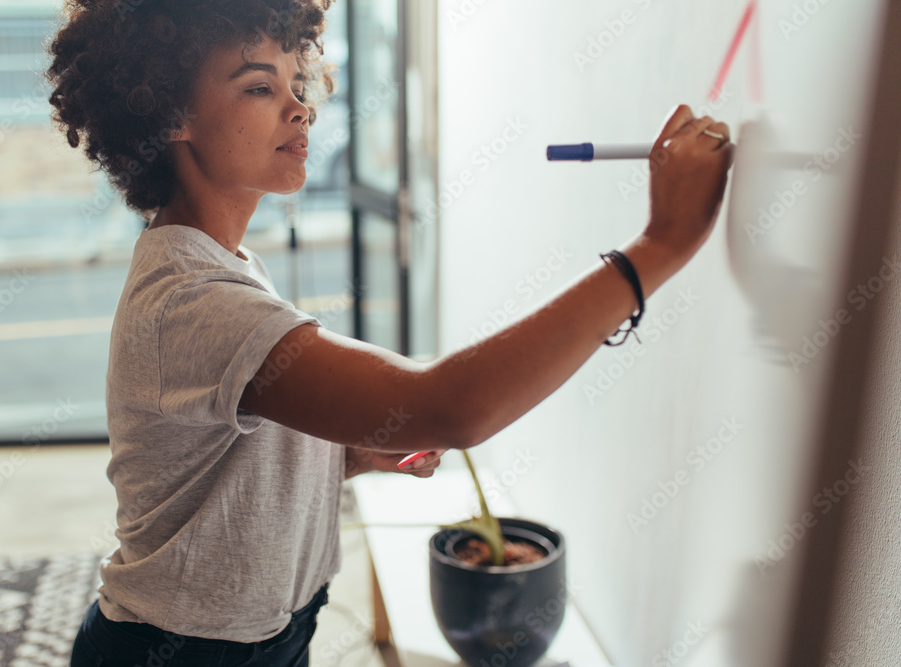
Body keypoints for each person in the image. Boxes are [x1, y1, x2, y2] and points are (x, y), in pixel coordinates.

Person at [46, 1, 733, 665]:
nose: (300, 107)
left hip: (262, 636)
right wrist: (662, 244)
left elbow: (220, 468)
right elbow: (451, 404)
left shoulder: (217, 262)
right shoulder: (194, 301)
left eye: (296, 81)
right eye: (259, 86)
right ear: (166, 114)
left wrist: (344, 454)